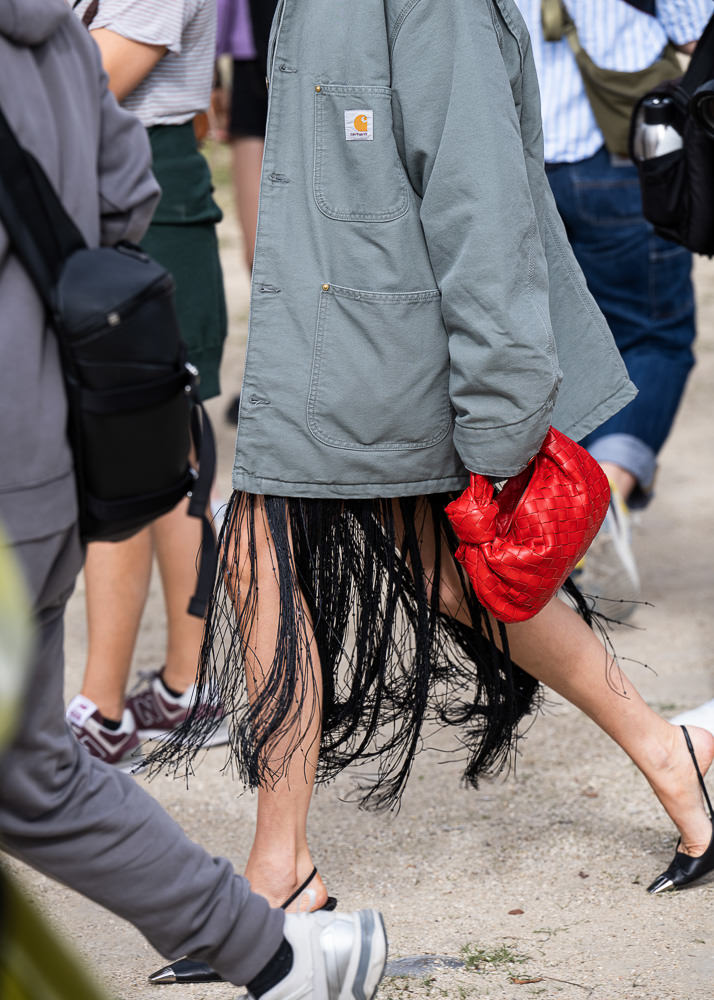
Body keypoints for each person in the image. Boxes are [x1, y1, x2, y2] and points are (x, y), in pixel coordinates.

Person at [145, 0, 714, 958]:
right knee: (448, 573)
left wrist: (501, 418)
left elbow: (481, 201)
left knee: (266, 555)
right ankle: (673, 752)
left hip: (395, 350)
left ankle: (278, 871)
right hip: (334, 342)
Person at [0, 3, 388, 996]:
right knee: (32, 775)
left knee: (32, 774)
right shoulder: (53, 42)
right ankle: (268, 952)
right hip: (45, 456)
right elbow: (123, 194)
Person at [65, 0, 233, 769]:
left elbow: (92, 75)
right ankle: (185, 687)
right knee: (159, 463)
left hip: (148, 187)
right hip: (85, 185)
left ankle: (104, 710)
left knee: (134, 451)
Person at [514, 0, 710, 619]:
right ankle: (604, 497)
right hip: (624, 156)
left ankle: (534, 530)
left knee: (529, 348)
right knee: (652, 337)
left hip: (509, 166)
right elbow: (695, 27)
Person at [213, 0, 278, 427]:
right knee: (258, 249)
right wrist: (212, 72)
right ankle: (266, 375)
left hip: (328, 58)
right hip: (251, 60)